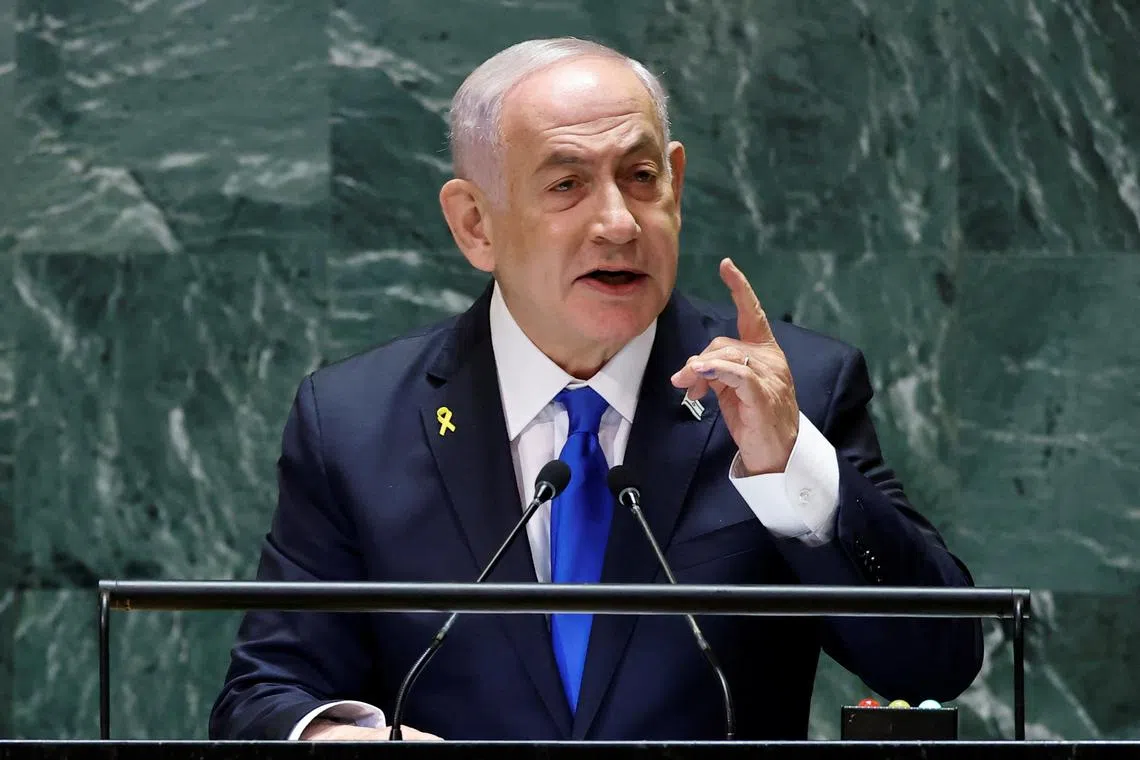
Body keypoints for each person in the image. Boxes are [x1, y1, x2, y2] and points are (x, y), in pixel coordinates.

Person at [209, 37, 982, 742]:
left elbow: (936, 663)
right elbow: (264, 696)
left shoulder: (795, 392)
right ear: (476, 224)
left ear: (675, 184)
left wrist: (792, 467)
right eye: (567, 184)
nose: (618, 223)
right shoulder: (355, 422)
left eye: (641, 178)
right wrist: (339, 740)